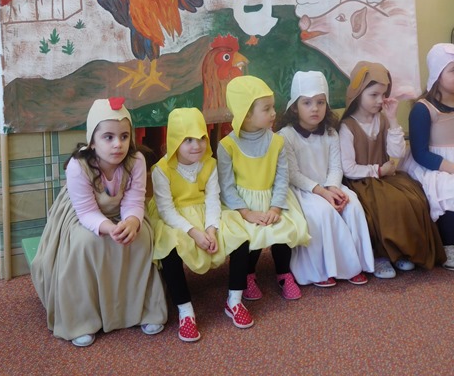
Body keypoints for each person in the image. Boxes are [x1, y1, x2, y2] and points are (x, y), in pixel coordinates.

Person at [31, 97, 167, 347]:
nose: (118, 144)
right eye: (108, 137)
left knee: (141, 239)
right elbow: (86, 211)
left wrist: (131, 222)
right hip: (83, 215)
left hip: (122, 212)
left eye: (124, 136)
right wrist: (109, 228)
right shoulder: (78, 166)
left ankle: (142, 310)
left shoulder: (136, 160)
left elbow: (134, 200)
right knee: (86, 243)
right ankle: (81, 319)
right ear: (92, 141)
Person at [148, 107, 252, 343]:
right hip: (175, 218)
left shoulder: (210, 164)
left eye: (201, 138)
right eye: (188, 140)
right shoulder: (161, 170)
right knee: (169, 247)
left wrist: (211, 229)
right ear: (175, 141)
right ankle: (185, 310)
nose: (197, 146)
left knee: (239, 236)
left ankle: (235, 300)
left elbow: (213, 199)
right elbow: (166, 210)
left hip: (206, 213)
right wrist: (194, 233)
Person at [339, 62, 445, 279]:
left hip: (387, 177)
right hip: (362, 180)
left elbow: (396, 151)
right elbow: (348, 168)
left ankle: (404, 252)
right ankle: (381, 255)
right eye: (374, 95)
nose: (380, 100)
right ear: (358, 94)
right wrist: (378, 170)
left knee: (413, 198)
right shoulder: (347, 127)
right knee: (383, 205)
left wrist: (393, 119)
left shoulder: (382, 120)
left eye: (383, 94)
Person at [217, 75, 310, 302]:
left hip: (273, 199)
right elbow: (227, 187)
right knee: (250, 235)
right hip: (241, 205)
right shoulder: (227, 146)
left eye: (273, 107)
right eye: (266, 109)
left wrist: (276, 208)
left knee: (282, 230)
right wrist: (246, 212)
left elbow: (282, 178)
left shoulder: (277, 141)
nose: (274, 113)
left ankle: (284, 273)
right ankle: (248, 274)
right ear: (246, 113)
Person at [277, 71, 374, 287]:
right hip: (305, 191)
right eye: (307, 103)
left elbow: (336, 166)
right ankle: (322, 269)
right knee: (323, 213)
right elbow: (293, 174)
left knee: (353, 207)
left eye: (320, 102)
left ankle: (354, 265)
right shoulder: (286, 136)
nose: (315, 108)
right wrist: (322, 192)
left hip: (331, 184)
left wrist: (333, 188)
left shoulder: (330, 133)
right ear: (295, 107)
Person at [399, 43, 454, 269]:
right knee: (448, 188)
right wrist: (450, 167)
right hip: (432, 163)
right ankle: (449, 247)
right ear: (438, 74)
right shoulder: (423, 110)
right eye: (453, 70)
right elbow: (420, 153)